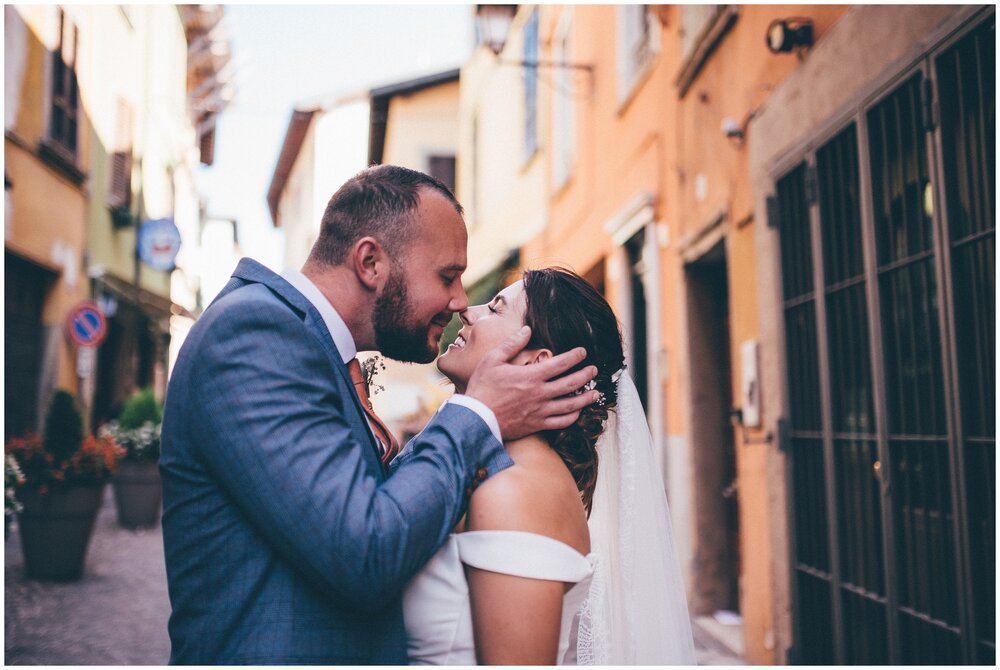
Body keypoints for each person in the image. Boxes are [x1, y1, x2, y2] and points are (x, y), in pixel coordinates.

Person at [159, 165, 599, 664]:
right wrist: (478, 414)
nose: (460, 303)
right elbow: (363, 550)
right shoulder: (256, 334)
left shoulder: (308, 346)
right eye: (447, 276)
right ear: (370, 261)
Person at [402, 268, 696, 665]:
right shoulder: (493, 466)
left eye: (494, 308)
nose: (468, 311)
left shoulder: (517, 489)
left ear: (538, 363)